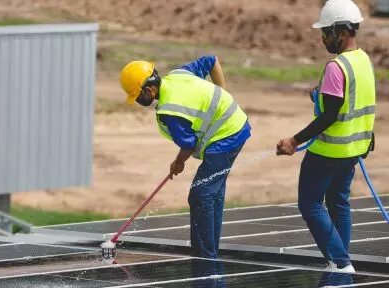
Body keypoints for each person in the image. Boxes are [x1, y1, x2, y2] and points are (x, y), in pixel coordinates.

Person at [276, 0, 376, 273]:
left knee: (309, 203)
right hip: (353, 150)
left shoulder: (336, 66)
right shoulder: (363, 60)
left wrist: (294, 141)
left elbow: (329, 115)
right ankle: (340, 261)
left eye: (326, 32)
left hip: (328, 152)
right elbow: (356, 101)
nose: (323, 38)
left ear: (341, 32)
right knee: (338, 202)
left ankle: (341, 262)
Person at [119, 55, 251, 259]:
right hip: (235, 125)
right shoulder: (179, 75)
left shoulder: (169, 111)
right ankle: (210, 251)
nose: (138, 101)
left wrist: (178, 162)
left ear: (149, 90)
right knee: (212, 192)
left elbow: (188, 143)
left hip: (227, 137)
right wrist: (223, 91)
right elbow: (212, 60)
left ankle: (205, 257)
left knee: (201, 194)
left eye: (137, 96)